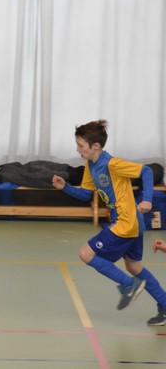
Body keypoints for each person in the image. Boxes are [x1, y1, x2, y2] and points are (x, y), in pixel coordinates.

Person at [52, 120, 166, 326]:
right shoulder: (90, 165)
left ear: (95, 146)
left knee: (86, 254)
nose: (77, 149)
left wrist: (148, 199)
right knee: (133, 266)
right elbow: (86, 194)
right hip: (132, 222)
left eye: (81, 146)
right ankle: (165, 305)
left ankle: (128, 285)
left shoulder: (112, 164)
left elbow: (146, 172)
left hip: (126, 221)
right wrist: (65, 187)